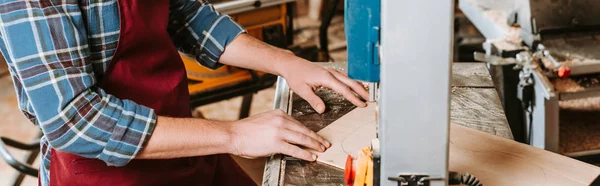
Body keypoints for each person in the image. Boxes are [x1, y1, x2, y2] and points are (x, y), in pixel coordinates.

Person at [0, 0, 368, 185]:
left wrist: (286, 62)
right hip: (105, 172)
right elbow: (76, 120)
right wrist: (235, 134)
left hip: (187, 145)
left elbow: (187, 14)